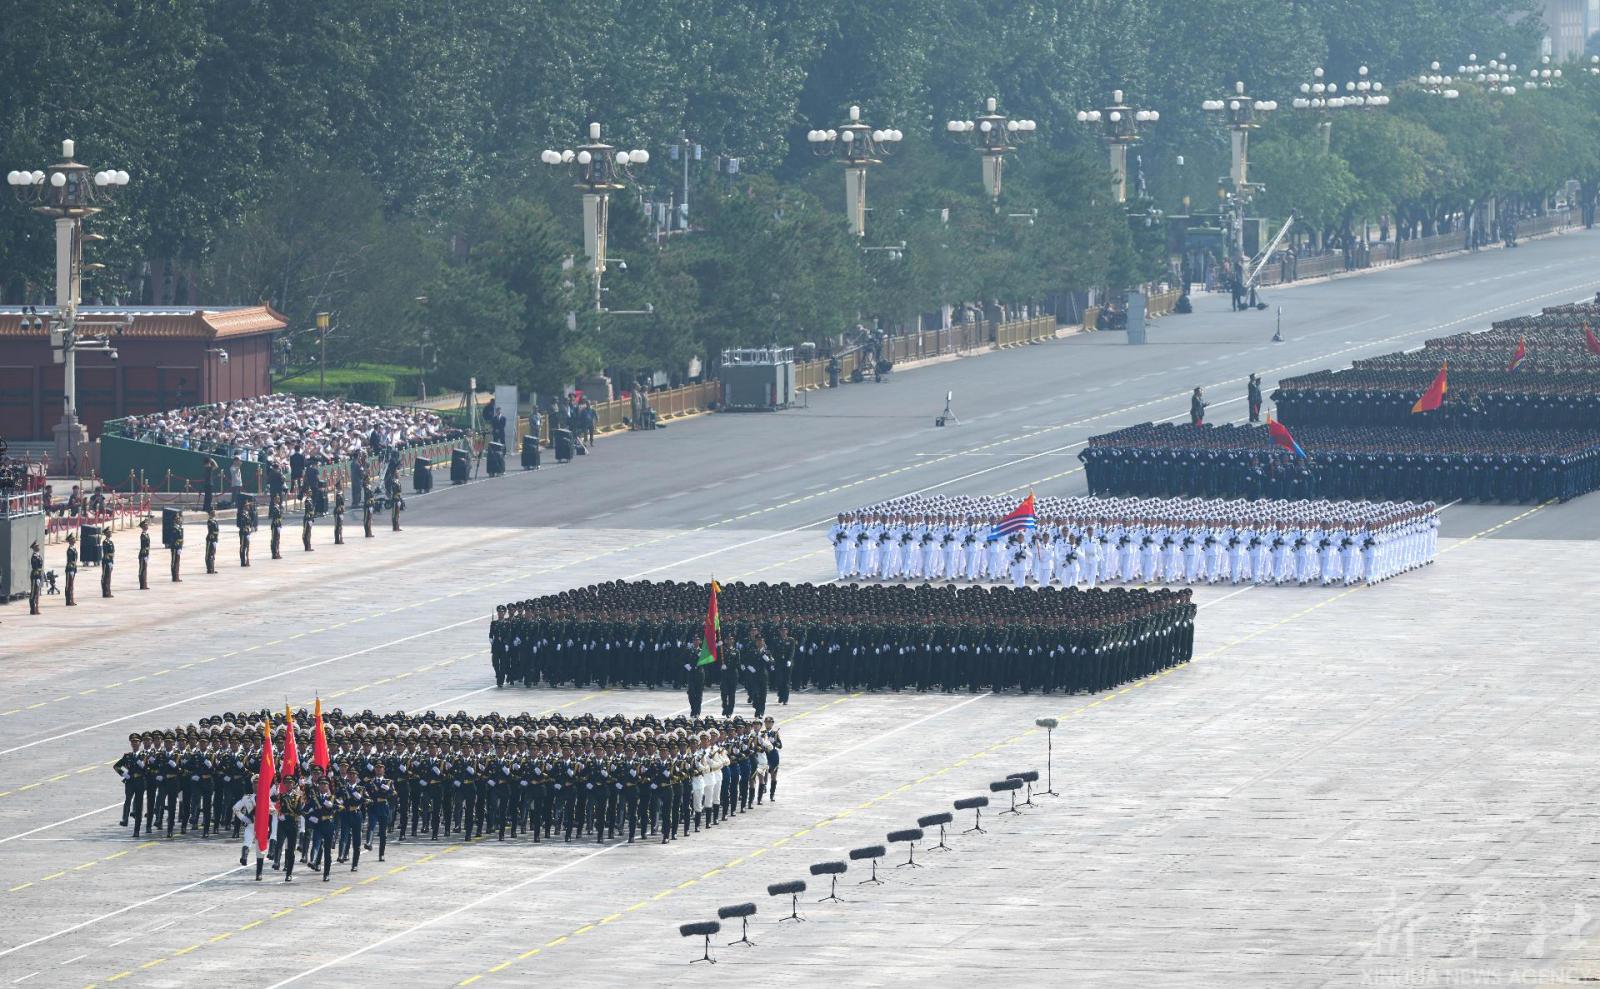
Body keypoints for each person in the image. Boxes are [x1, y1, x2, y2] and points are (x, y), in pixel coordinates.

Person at [29, 541, 44, 614]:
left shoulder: (38, 556)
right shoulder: (34, 557)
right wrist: (37, 577)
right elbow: (35, 568)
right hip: (35, 576)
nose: (38, 547)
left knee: (37, 593)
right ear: (34, 548)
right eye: (37, 546)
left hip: (39, 575)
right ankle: (32, 609)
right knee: (33, 593)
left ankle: (36, 608)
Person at [64, 533, 78, 606]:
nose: (74, 540)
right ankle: (68, 600)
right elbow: (70, 561)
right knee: (68, 585)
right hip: (70, 569)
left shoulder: (74, 549)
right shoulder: (69, 550)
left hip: (73, 568)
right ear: (70, 541)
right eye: (73, 539)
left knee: (71, 585)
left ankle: (71, 600)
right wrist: (72, 569)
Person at [101, 530, 116, 597]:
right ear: (106, 534)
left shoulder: (111, 542)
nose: (110, 533)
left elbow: (113, 552)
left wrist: (112, 561)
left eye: (110, 532)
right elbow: (106, 553)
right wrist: (108, 562)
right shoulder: (105, 542)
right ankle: (105, 592)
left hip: (110, 560)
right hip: (106, 561)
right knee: (105, 577)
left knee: (109, 577)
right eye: (109, 532)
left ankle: (108, 592)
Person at [137, 518, 151, 590]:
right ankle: (142, 585)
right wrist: (145, 554)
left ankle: (144, 584)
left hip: (146, 553)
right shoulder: (143, 535)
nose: (147, 526)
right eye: (145, 525)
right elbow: (143, 546)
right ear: (143, 527)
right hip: (143, 554)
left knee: (144, 569)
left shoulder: (146, 534)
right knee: (142, 569)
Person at [269, 495, 284, 559]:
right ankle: (274, 553)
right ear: (274, 500)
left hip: (278, 525)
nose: (279, 500)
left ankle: (277, 553)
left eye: (279, 499)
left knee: (277, 540)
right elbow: (275, 516)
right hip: (275, 525)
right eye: (277, 499)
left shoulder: (278, 507)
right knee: (274, 540)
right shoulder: (274, 507)